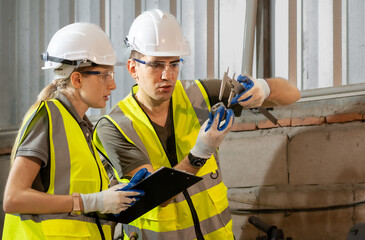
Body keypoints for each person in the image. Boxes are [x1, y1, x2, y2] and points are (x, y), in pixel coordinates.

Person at [93, 9, 301, 240]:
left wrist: (263, 88)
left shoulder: (199, 94)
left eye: (174, 64)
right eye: (156, 65)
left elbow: (292, 93)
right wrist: (200, 153)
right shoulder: (113, 127)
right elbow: (158, 196)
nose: (167, 75)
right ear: (133, 68)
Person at [2, 22, 143, 240]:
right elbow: (13, 198)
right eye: (105, 75)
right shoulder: (48, 117)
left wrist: (121, 191)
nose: (112, 85)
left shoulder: (81, 127)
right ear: (77, 79)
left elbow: (78, 189)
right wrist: (90, 201)